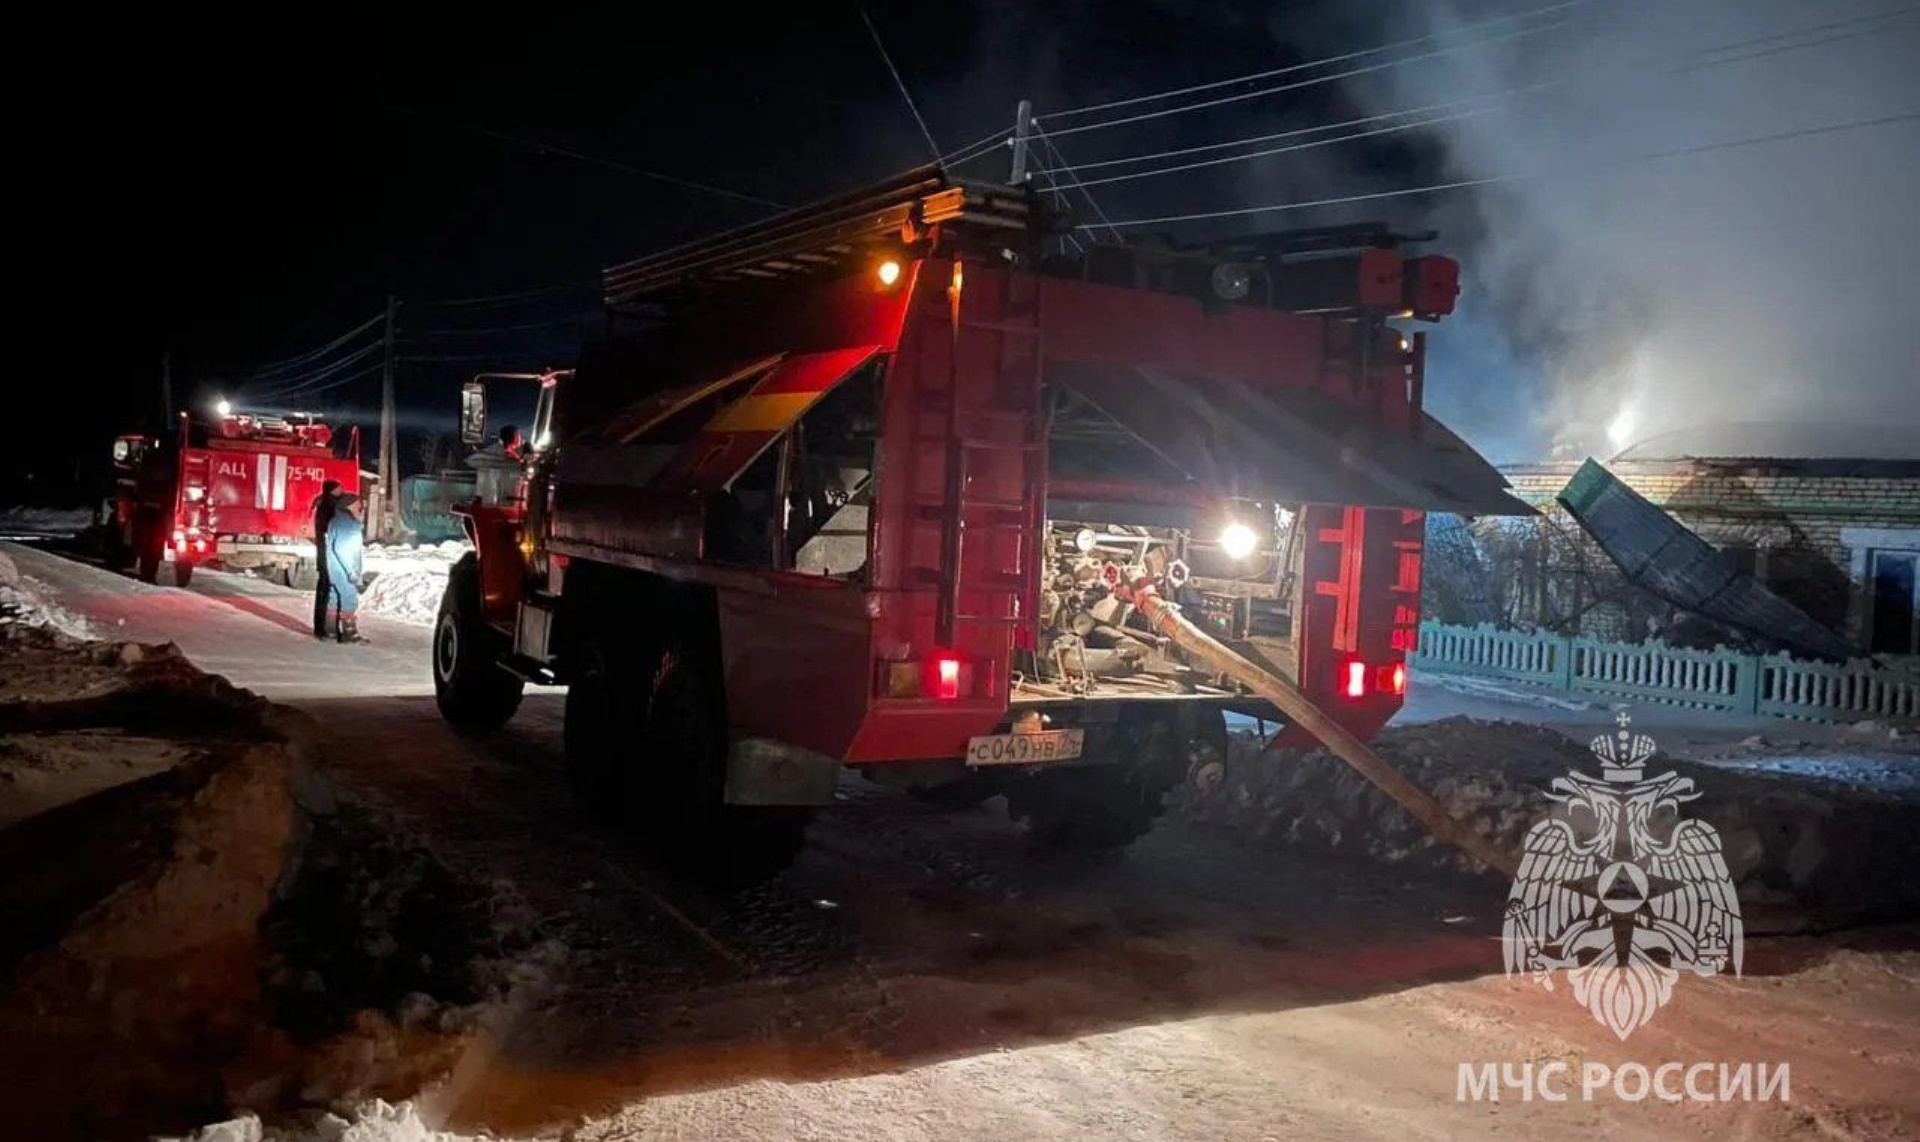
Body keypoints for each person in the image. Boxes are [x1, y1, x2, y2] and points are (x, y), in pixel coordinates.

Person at [325, 492, 367, 644]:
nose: (360, 509)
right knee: (349, 599)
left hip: (334, 568)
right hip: (344, 570)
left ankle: (330, 632)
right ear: (349, 506)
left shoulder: (335, 521)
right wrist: (352, 571)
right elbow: (342, 548)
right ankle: (350, 635)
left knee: (335, 597)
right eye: (358, 506)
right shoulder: (349, 524)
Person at [310, 479, 341, 638]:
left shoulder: (323, 504)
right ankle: (324, 627)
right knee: (327, 590)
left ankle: (320, 627)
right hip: (329, 554)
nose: (340, 491)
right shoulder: (329, 507)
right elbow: (330, 531)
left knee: (323, 588)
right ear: (331, 490)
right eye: (338, 488)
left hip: (323, 553)